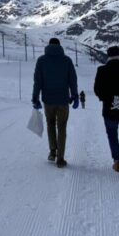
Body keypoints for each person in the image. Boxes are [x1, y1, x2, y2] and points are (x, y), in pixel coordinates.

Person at [32, 37, 78, 168]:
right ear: (59, 46)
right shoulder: (67, 60)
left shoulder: (41, 61)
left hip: (48, 101)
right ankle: (61, 158)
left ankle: (53, 152)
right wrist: (75, 96)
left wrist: (35, 98)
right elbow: (72, 80)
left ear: (48, 46)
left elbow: (38, 81)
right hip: (63, 100)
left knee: (50, 124)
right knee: (62, 127)